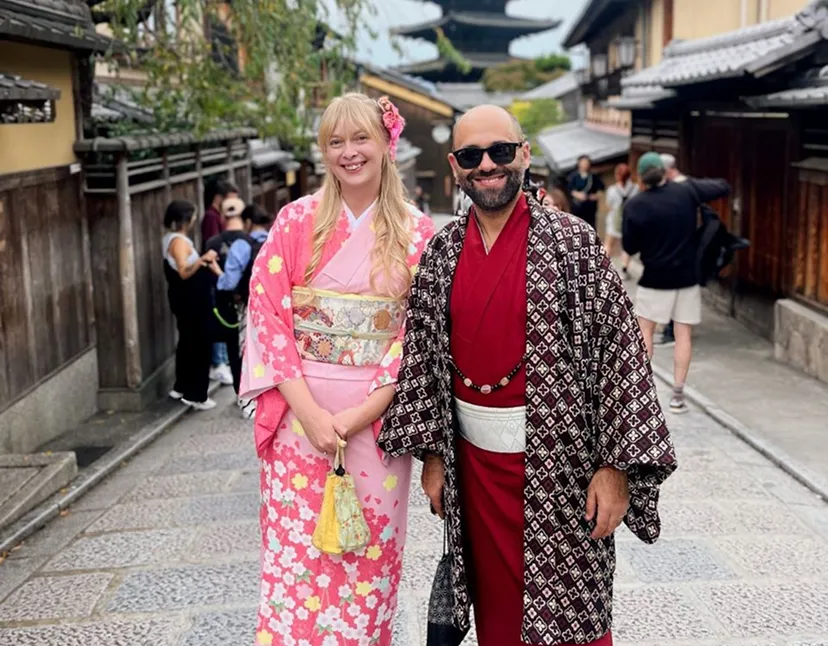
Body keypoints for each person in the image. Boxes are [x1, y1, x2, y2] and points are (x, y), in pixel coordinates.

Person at [378, 106, 677, 646]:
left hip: (563, 470)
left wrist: (614, 468)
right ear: (454, 166)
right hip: (475, 470)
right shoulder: (441, 254)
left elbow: (621, 357)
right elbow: (423, 362)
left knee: (571, 621)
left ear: (525, 153)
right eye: (472, 156)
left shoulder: (573, 245)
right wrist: (434, 456)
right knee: (497, 615)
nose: (487, 165)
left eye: (500, 151)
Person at [239, 93, 435, 645]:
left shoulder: (418, 232)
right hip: (299, 425)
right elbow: (268, 316)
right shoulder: (294, 220)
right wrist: (311, 415)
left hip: (375, 422)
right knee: (295, 560)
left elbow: (415, 335)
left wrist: (357, 415)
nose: (349, 153)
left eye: (360, 138)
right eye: (335, 141)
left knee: (365, 560)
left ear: (385, 144)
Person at [622, 152, 730, 414]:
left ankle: (642, 393)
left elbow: (630, 246)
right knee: (683, 335)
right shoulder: (686, 192)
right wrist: (682, 179)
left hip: (655, 278)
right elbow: (722, 186)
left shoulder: (635, 206)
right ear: (665, 173)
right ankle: (678, 395)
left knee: (644, 332)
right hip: (687, 278)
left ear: (641, 177)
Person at [207, 203, 274, 418]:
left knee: (248, 352)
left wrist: (216, 271)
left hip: (251, 307)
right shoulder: (278, 237)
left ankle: (251, 404)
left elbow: (228, 282)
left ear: (247, 222)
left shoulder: (241, 245)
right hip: (279, 305)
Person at [162, 200, 219, 411]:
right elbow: (184, 272)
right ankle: (196, 394)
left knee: (187, 342)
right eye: (193, 215)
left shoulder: (173, 239)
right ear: (186, 218)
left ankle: (181, 386)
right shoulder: (178, 242)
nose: (195, 219)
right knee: (198, 345)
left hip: (187, 301)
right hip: (191, 302)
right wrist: (202, 259)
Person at [203, 196, 250, 397]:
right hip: (247, 302)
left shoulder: (212, 243)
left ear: (223, 215)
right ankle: (249, 395)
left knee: (231, 349)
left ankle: (238, 392)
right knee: (247, 350)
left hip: (221, 303)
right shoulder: (251, 241)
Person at [656, 153, 688, 347]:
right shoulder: (674, 186)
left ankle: (672, 330)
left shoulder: (683, 186)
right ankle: (668, 327)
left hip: (679, 246)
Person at [603, 163, 639, 275]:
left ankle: (603, 266)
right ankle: (624, 268)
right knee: (625, 247)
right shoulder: (636, 188)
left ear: (617, 175)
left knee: (608, 243)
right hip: (629, 221)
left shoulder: (612, 190)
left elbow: (608, 205)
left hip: (614, 220)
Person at [567, 154, 604, 230]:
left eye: (586, 163)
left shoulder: (593, 177)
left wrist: (595, 196)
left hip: (590, 208)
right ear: (579, 163)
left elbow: (601, 189)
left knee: (590, 227)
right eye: (583, 162)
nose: (585, 165)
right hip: (576, 207)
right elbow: (568, 189)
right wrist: (577, 194)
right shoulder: (573, 176)